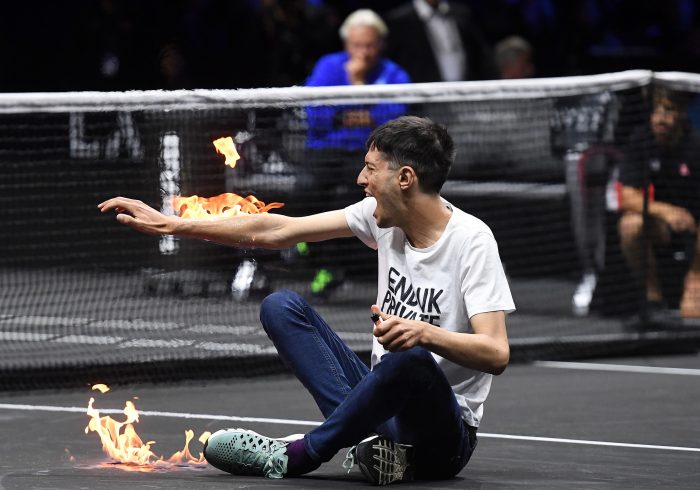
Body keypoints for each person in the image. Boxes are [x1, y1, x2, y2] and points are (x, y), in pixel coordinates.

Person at [99, 116, 514, 484]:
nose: (360, 180)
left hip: (443, 436)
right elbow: (276, 230)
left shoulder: (472, 241)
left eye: (370, 169)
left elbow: (495, 353)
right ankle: (372, 447)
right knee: (281, 306)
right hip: (381, 408)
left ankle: (299, 453)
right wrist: (173, 225)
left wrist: (423, 333)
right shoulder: (378, 217)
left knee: (412, 360)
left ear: (405, 178)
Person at [303, 8, 411, 295]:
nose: (364, 51)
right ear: (346, 44)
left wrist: (355, 91)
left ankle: (334, 267)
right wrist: (359, 102)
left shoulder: (394, 73)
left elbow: (392, 121)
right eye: (357, 45)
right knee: (306, 190)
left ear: (381, 43)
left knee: (346, 197)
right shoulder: (329, 67)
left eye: (370, 45)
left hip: (370, 155)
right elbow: (316, 118)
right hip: (324, 153)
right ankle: (314, 260)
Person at [617, 87, 700, 318]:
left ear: (682, 113)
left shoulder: (695, 145)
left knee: (692, 314)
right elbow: (627, 196)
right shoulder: (641, 140)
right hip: (662, 224)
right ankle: (653, 300)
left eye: (669, 110)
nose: (660, 118)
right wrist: (667, 211)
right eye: (656, 111)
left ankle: (694, 282)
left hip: (695, 225)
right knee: (630, 225)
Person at [384, 0, 497, 83]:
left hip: (465, 97)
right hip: (423, 103)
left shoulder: (462, 13)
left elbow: (481, 56)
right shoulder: (399, 21)